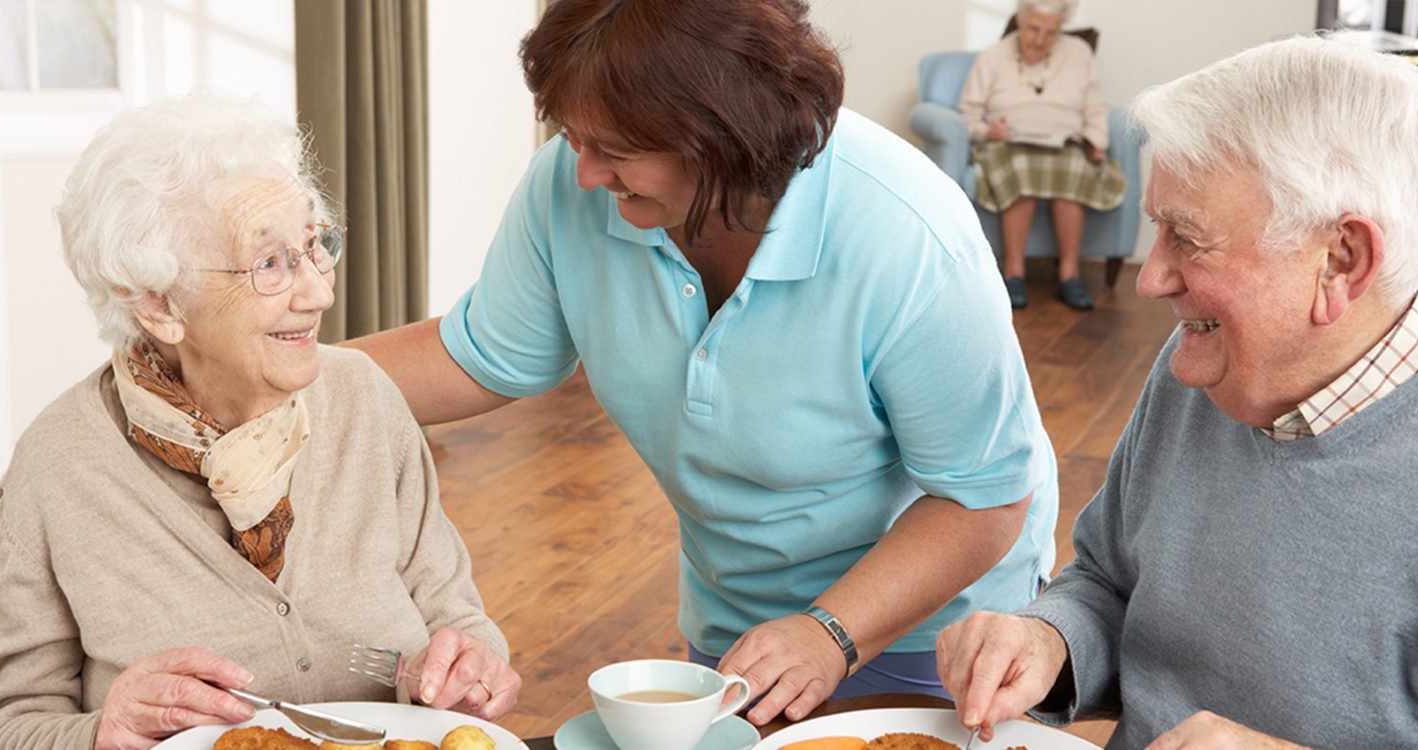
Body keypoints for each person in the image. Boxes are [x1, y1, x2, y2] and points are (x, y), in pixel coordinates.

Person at [349, 0, 1058, 728]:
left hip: (934, 628)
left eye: (616, 149)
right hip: (741, 623)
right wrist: (274, 374)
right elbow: (480, 355)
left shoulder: (908, 237)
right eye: (571, 136)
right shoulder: (569, 187)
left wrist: (830, 632)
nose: (585, 172)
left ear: (722, 136)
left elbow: (986, 498)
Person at [936, 35, 1418, 748]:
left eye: (1184, 238)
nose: (1149, 278)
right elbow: (1107, 580)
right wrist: (1050, 642)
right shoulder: (1209, 359)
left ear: (1341, 260)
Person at [0, 94, 520, 750]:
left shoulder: (364, 401)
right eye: (269, 263)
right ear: (156, 304)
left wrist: (474, 666)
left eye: (315, 246)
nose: (319, 292)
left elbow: (454, 616)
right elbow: (5, 725)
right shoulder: (58, 466)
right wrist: (99, 733)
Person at [958, 0, 1127, 310]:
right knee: (1020, 168)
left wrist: (1096, 141)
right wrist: (988, 131)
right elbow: (968, 115)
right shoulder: (992, 57)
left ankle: (1069, 276)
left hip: (1064, 142)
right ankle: (1013, 273)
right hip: (1008, 143)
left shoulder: (1078, 53)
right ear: (1020, 22)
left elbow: (1095, 107)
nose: (1039, 39)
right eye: (1033, 29)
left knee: (1075, 168)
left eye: (1050, 33)